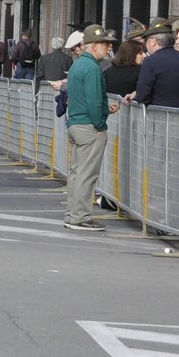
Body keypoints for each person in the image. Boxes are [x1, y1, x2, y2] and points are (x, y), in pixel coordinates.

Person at [63, 25, 121, 231]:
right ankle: (80, 217)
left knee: (77, 173)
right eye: (105, 44)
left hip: (75, 123)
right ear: (93, 45)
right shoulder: (93, 68)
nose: (108, 48)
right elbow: (94, 100)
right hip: (89, 126)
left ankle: (73, 214)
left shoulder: (78, 65)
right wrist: (100, 122)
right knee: (87, 175)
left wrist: (104, 110)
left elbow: (83, 97)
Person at [135, 20, 179, 110]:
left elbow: (142, 96)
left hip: (160, 116)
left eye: (147, 41)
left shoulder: (150, 61)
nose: (146, 44)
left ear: (153, 41)